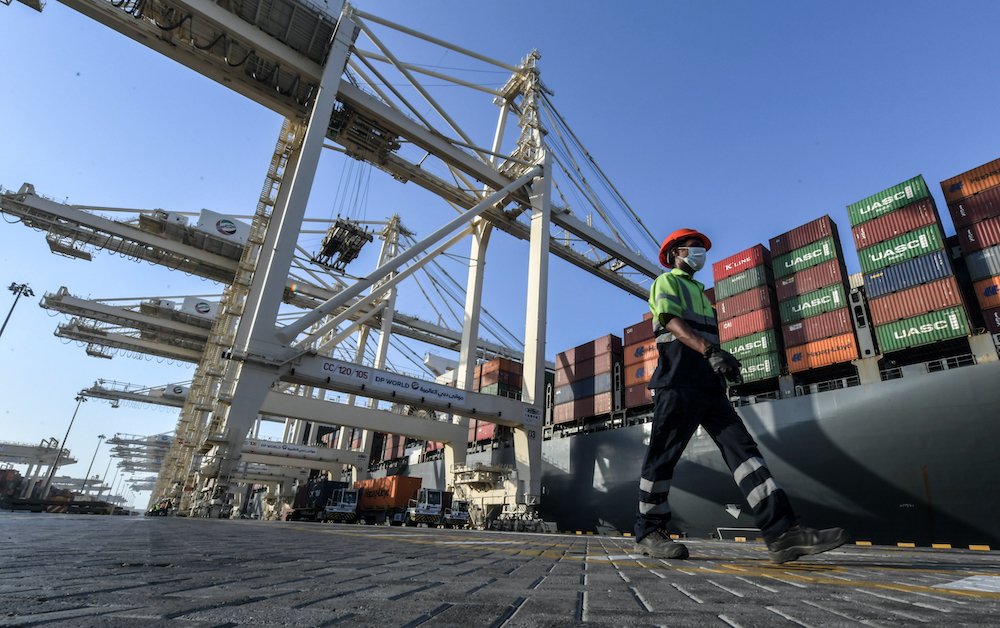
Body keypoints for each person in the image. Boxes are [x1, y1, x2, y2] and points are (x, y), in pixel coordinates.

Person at [634, 228, 848, 564]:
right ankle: (649, 530)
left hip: (709, 388)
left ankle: (782, 533)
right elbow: (671, 321)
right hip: (676, 384)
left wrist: (723, 360)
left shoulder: (703, 295)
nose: (700, 253)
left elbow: (701, 335)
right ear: (677, 253)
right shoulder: (667, 282)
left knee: (744, 452)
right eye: (693, 248)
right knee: (662, 458)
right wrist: (709, 351)